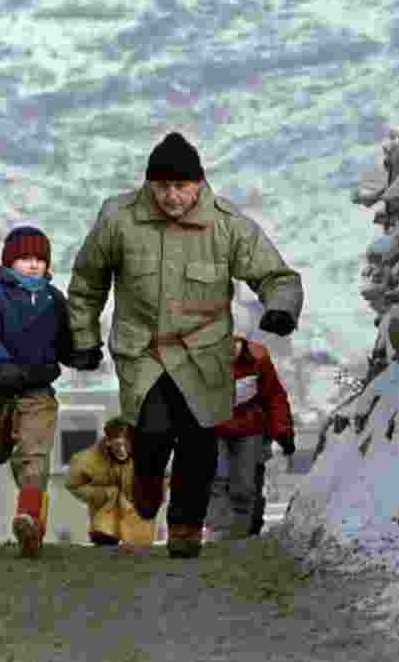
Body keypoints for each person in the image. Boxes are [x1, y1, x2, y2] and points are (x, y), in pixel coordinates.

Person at [66, 131, 303, 558]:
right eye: (163, 187)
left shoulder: (228, 226)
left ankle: (185, 527)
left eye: (182, 186)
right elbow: (87, 282)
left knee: (198, 441)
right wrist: (83, 338)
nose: (172, 197)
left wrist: (280, 309)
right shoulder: (118, 220)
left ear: (198, 184)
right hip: (143, 351)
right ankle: (146, 479)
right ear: (149, 185)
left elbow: (276, 276)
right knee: (153, 431)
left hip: (204, 353)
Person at [0, 225, 74, 558]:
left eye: (39, 259)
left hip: (38, 389)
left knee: (35, 453)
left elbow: (67, 341)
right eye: (25, 258)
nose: (33, 265)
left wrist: (80, 353)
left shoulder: (55, 300)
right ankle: (32, 515)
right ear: (10, 262)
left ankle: (29, 520)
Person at [205, 334, 295, 540]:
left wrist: (283, 432)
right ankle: (218, 533)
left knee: (244, 485)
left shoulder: (259, 359)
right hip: (215, 429)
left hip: (250, 429)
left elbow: (274, 396)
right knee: (216, 480)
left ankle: (239, 535)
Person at [65, 417, 156, 551]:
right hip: (104, 512)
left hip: (136, 509)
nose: (123, 450)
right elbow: (73, 484)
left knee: (140, 541)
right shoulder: (87, 460)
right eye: (118, 445)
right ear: (108, 442)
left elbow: (162, 477)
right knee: (105, 529)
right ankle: (105, 532)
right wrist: (101, 494)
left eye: (127, 444)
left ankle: (134, 536)